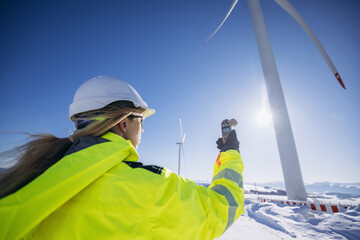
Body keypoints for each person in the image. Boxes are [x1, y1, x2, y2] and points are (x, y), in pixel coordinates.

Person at [0, 75, 244, 239]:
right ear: (124, 123)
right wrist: (230, 152)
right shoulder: (151, 189)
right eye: (142, 119)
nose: (143, 128)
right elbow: (224, 206)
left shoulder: (33, 172)